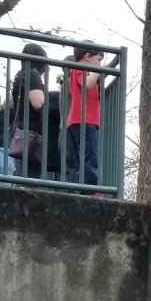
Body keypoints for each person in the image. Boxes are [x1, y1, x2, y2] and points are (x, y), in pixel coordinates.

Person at [62, 43, 107, 193]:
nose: (99, 63)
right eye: (98, 59)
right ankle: (92, 192)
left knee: (79, 162)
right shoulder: (80, 70)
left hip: (77, 121)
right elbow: (86, 84)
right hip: (85, 121)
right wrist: (99, 71)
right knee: (90, 158)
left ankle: (77, 191)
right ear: (88, 56)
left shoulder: (75, 71)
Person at [5, 44, 51, 180]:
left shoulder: (20, 76)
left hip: (20, 132)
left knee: (22, 175)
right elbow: (38, 103)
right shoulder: (32, 75)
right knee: (31, 178)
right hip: (31, 133)